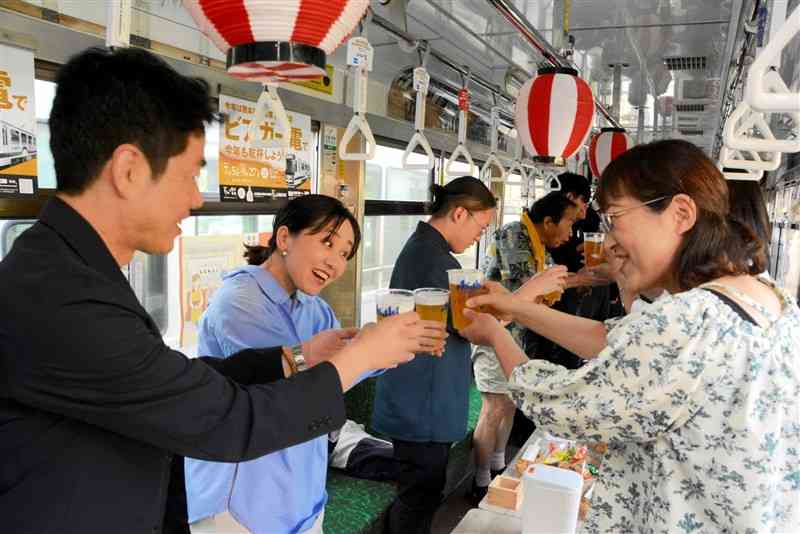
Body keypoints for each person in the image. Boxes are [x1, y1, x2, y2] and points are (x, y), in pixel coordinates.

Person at [0, 46, 446, 534]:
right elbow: (229, 420)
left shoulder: (70, 271)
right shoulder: (66, 300)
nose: (195, 198)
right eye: (190, 174)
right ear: (128, 169)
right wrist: (359, 357)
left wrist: (294, 358)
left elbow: (175, 378)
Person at [460, 139, 800, 533]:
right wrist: (517, 307)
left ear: (681, 213)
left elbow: (559, 407)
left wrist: (495, 335)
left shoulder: (686, 323)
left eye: (616, 219)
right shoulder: (767, 298)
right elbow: (612, 338)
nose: (608, 242)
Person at [185, 195, 369, 533]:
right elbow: (287, 390)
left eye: (344, 254)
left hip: (302, 496)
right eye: (327, 243)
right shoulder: (240, 301)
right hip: (242, 502)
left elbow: (339, 377)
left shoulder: (315, 308)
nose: (335, 263)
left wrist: (391, 349)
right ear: (284, 238)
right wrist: (371, 351)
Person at [373, 176, 496, 534]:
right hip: (421, 404)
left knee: (421, 492)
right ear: (460, 213)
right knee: (419, 496)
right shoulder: (435, 261)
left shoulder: (426, 250)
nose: (480, 235)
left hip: (421, 399)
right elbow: (471, 326)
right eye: (480, 226)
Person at [470, 192, 572, 500]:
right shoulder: (514, 235)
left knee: (511, 402)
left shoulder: (539, 245)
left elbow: (555, 282)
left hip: (516, 338)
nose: (569, 233)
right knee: (493, 407)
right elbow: (531, 283)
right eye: (568, 223)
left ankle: (500, 465)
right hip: (491, 334)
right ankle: (480, 481)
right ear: (548, 221)